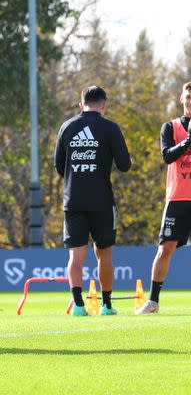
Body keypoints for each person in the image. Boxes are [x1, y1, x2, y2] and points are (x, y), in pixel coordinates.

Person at [136, 82, 191, 314]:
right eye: (188, 97)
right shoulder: (170, 127)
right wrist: (187, 141)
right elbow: (167, 156)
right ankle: (153, 300)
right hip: (178, 197)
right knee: (165, 248)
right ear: (180, 99)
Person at [54, 86, 131, 316]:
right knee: (104, 254)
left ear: (81, 104)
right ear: (104, 105)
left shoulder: (66, 127)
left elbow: (59, 166)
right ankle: (106, 305)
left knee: (75, 256)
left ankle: (78, 306)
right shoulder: (110, 128)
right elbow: (125, 165)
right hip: (102, 202)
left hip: (73, 200)